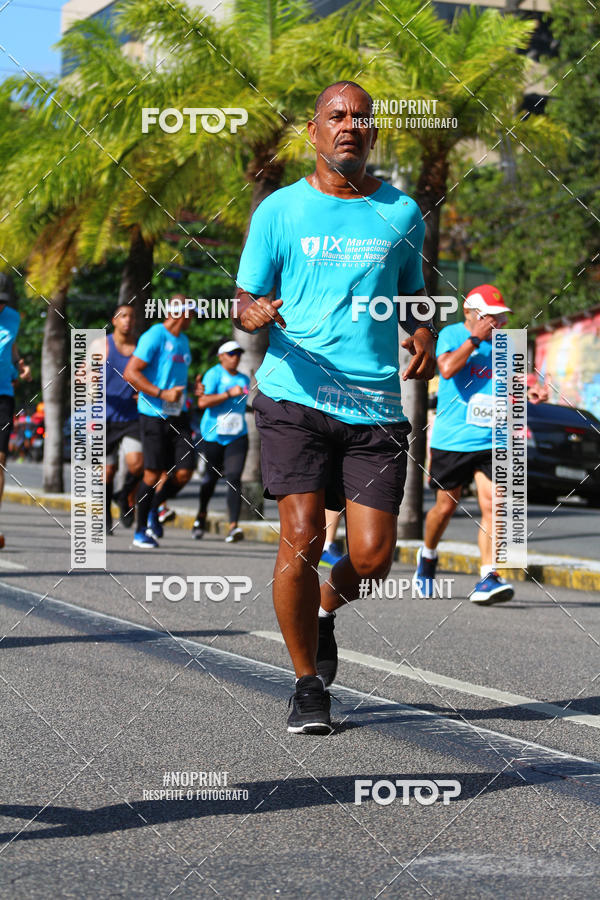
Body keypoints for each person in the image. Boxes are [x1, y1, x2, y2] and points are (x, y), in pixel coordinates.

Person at [233, 81, 437, 734]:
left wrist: (424, 332)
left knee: (375, 556)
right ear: (315, 131)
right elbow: (245, 297)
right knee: (303, 536)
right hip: (294, 396)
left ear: (373, 133)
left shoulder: (402, 212)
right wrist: (253, 310)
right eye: (336, 116)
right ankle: (306, 684)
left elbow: (414, 293)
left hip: (373, 405)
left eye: (361, 118)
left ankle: (324, 608)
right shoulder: (280, 211)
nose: (349, 125)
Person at [413, 284, 546, 605]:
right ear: (471, 313)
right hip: (454, 439)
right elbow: (445, 369)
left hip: (494, 438)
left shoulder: (507, 343)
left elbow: (513, 384)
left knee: (495, 504)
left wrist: (530, 393)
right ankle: (428, 555)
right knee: (445, 507)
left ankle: (489, 576)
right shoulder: (452, 335)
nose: (499, 324)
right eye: (492, 317)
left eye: (502, 318)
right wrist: (474, 340)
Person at [124, 296, 197, 549]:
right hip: (153, 415)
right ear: (179, 313)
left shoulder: (184, 341)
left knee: (185, 471)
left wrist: (192, 388)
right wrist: (160, 393)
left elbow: (173, 378)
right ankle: (140, 530)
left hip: (178, 415)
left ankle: (155, 507)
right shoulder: (155, 336)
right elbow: (131, 373)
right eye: (192, 312)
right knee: (153, 473)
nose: (195, 317)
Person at [192, 340, 250, 543]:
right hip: (214, 435)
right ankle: (201, 515)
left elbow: (244, 404)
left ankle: (233, 526)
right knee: (210, 478)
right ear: (221, 356)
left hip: (237, 435)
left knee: (234, 477)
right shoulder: (213, 374)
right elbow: (202, 402)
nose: (236, 357)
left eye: (238, 354)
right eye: (232, 354)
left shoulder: (244, 379)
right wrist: (227, 394)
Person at [101, 305, 144, 533]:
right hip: (104, 417)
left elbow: (145, 375)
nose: (128, 320)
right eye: (123, 316)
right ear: (114, 320)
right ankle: (106, 515)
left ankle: (124, 494)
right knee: (107, 472)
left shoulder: (139, 348)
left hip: (131, 416)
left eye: (131, 316)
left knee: (137, 464)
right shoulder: (102, 345)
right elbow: (83, 371)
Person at [0, 277, 31, 549]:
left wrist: (20, 364)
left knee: (0, 460)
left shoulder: (12, 317)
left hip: (3, 393)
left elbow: (11, 344)